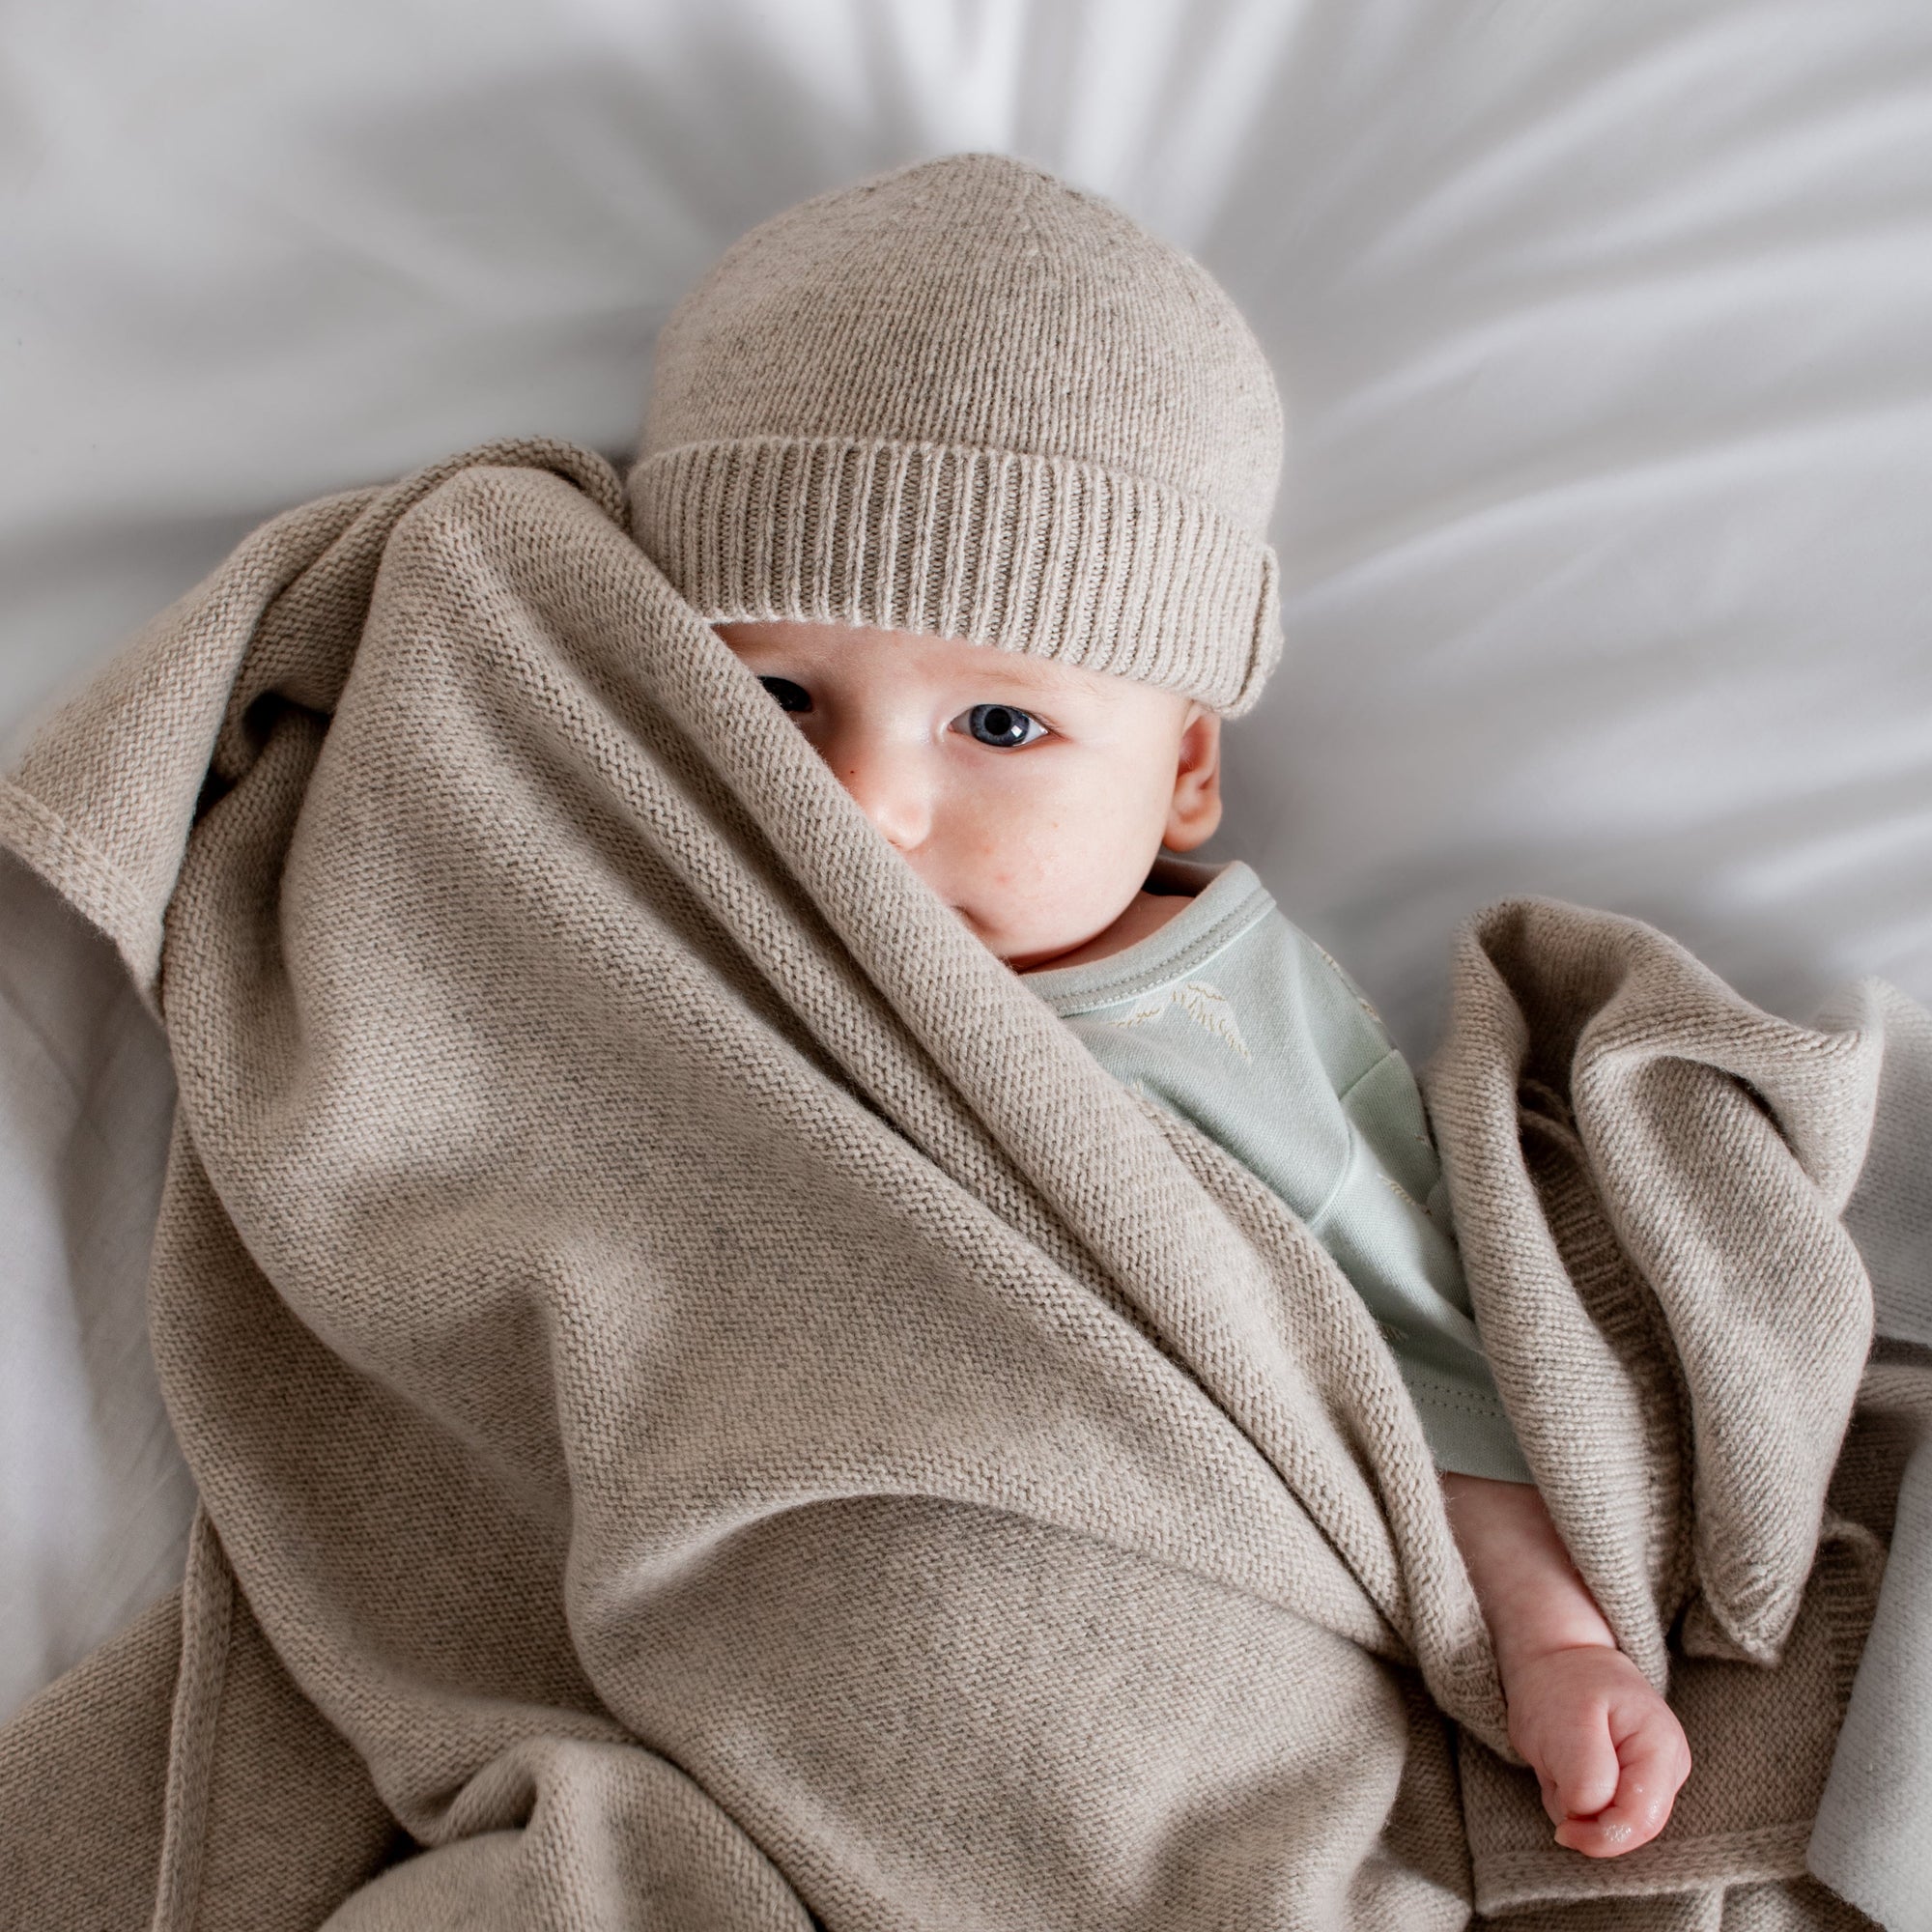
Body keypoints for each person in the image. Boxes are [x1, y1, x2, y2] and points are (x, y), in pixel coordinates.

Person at [628, 148, 1692, 1859]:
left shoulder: (1204, 1017)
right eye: (776, 693)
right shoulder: (642, 920)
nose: (864, 809)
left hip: (1137, 1624)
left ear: (1185, 771)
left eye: (999, 727)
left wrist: (1553, 1641)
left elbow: (1405, 1349)